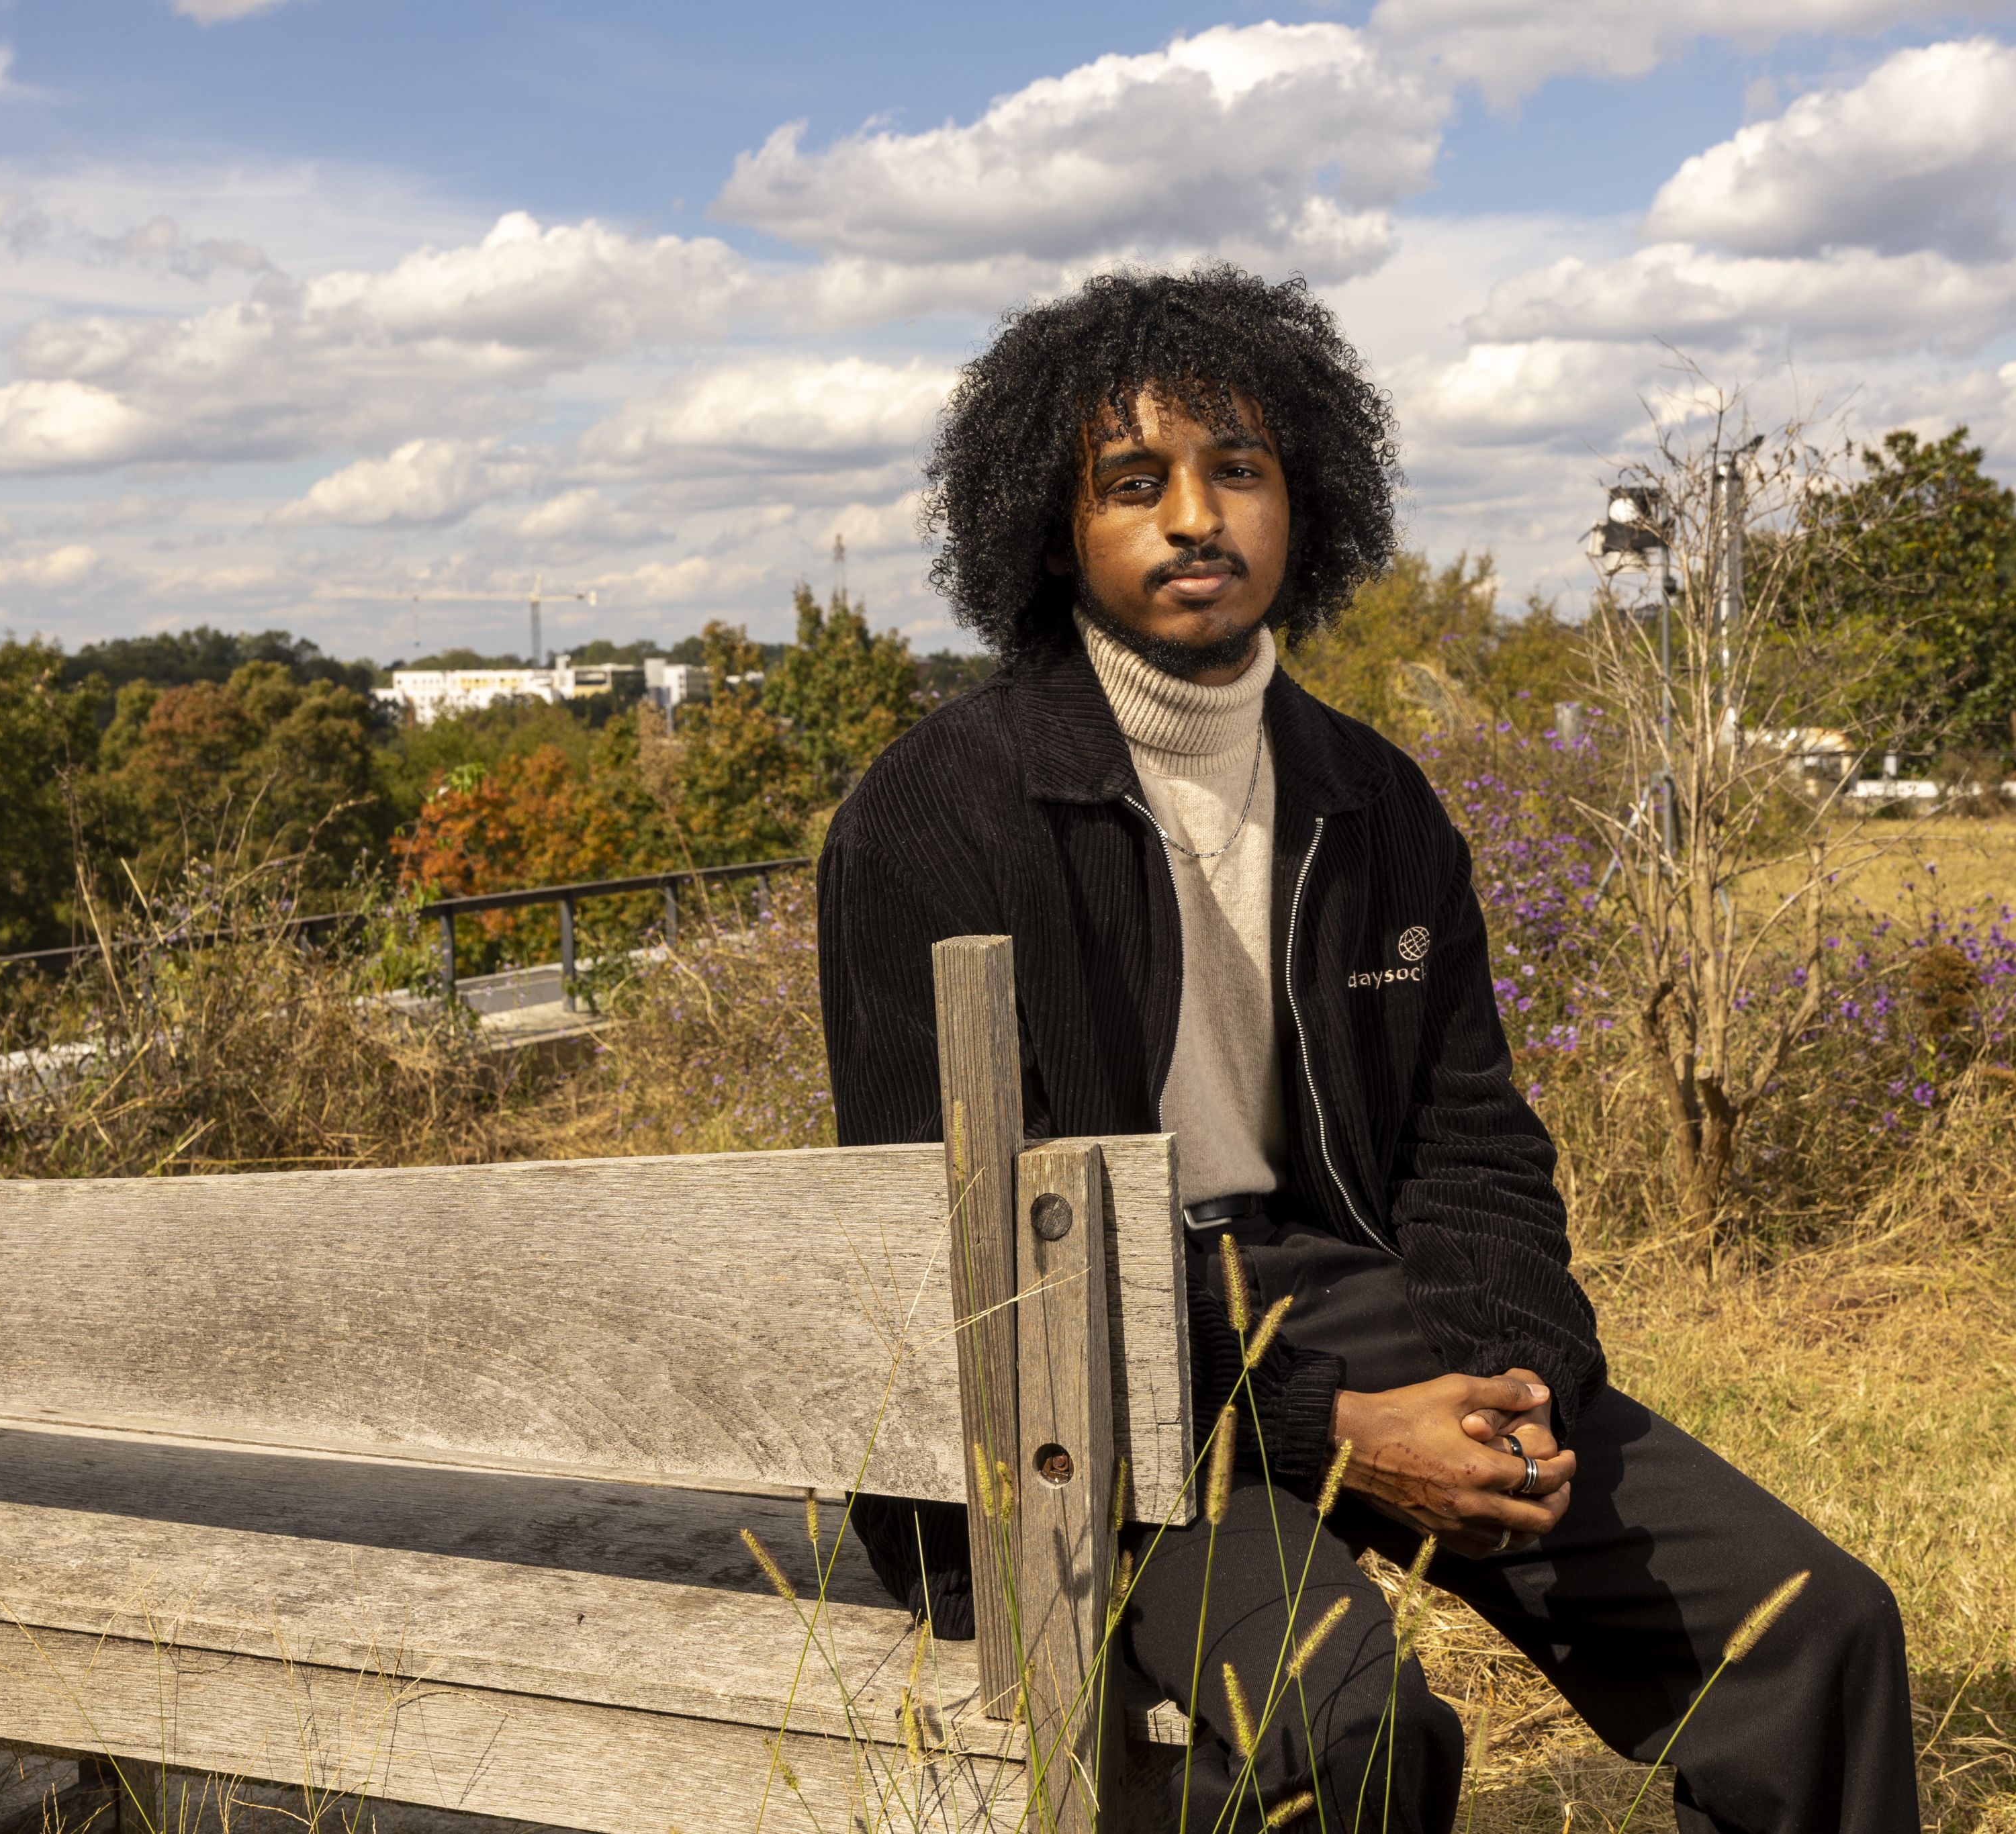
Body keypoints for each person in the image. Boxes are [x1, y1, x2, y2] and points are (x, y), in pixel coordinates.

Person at [816, 266, 1918, 1834]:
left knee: (1817, 1630)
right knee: (1359, 1732)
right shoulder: (940, 810)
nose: (1194, 517)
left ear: (1304, 498)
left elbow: (1468, 1136)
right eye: (1133, 483)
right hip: (1070, 1391)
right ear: (1052, 527)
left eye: (1237, 470)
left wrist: (1512, 1376)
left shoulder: (1368, 794)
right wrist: (1326, 1432)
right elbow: (971, 1262)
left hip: (1334, 1298)